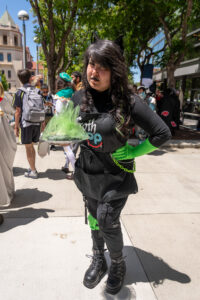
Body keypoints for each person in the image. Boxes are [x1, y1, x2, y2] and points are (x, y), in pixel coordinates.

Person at [71, 39, 171, 295]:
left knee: (107, 219)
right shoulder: (79, 97)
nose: (93, 72)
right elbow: (72, 129)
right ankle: (98, 257)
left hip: (116, 176)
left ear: (114, 71)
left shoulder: (130, 101)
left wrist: (135, 150)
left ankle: (117, 264)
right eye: (91, 65)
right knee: (94, 218)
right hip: (87, 172)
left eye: (102, 67)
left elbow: (162, 133)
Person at [13, 69, 45, 179]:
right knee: (31, 146)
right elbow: (42, 108)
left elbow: (18, 111)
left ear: (20, 79)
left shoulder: (19, 92)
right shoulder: (38, 91)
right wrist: (43, 124)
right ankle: (32, 168)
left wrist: (16, 127)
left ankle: (33, 171)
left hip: (26, 123)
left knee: (28, 147)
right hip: (37, 123)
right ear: (30, 78)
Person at [54, 72, 76, 180]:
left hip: (63, 124)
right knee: (69, 147)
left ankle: (76, 171)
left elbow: (59, 111)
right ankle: (67, 166)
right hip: (72, 123)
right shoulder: (73, 93)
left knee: (67, 149)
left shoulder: (60, 95)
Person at [40, 84, 56, 151]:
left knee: (52, 131)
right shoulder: (39, 97)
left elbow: (55, 104)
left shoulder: (51, 97)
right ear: (41, 91)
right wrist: (43, 104)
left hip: (50, 115)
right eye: (44, 92)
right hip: (42, 115)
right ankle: (44, 145)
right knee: (43, 131)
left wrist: (51, 104)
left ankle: (52, 145)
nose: (45, 93)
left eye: (46, 92)